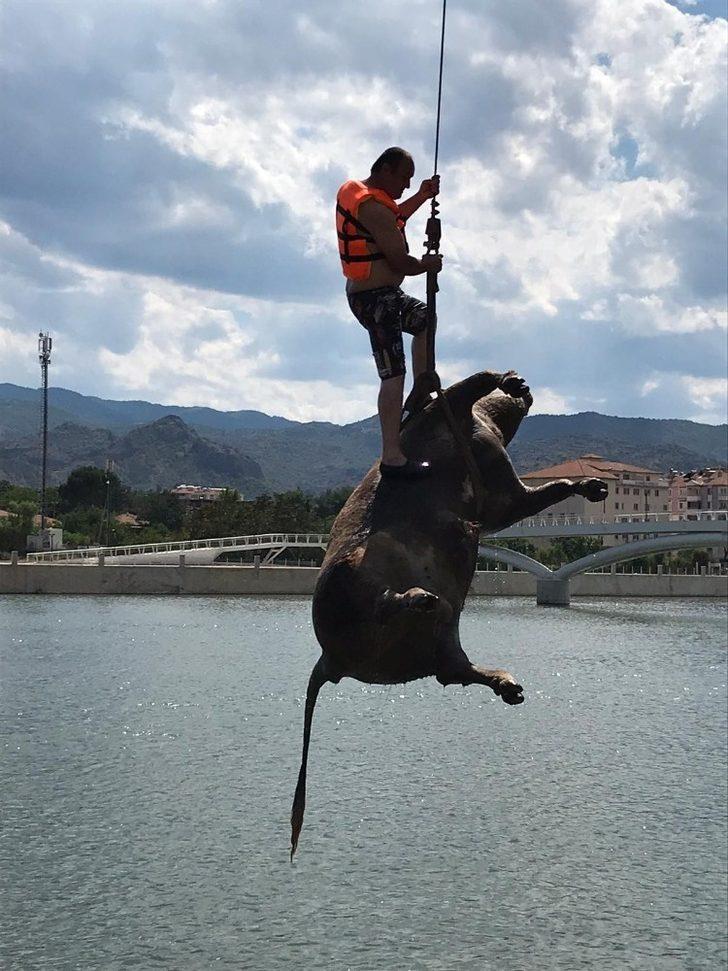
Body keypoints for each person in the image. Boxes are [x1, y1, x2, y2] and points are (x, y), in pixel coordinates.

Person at [336, 147, 442, 477]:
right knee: (393, 372)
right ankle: (391, 455)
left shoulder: (373, 200)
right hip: (372, 300)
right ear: (385, 170)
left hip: (388, 295)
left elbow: (396, 215)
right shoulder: (370, 206)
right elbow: (399, 261)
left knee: (425, 318)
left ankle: (421, 389)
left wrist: (424, 196)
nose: (406, 186)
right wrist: (426, 265)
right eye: (404, 179)